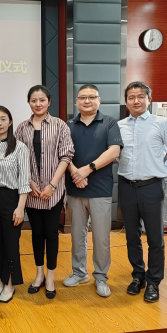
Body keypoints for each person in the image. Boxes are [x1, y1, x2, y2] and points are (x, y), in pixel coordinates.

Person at [118, 81, 167, 303]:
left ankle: (154, 281)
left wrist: (161, 172)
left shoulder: (162, 123)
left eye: (140, 96)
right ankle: (138, 276)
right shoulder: (119, 126)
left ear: (149, 99)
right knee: (132, 235)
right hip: (126, 186)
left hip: (152, 187)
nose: (136, 101)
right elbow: (114, 154)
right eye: (131, 97)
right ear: (126, 101)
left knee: (155, 238)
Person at [64, 85, 123, 298]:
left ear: (99, 100)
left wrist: (87, 170)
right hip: (75, 188)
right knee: (77, 235)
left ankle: (101, 276)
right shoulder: (68, 125)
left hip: (100, 190)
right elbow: (63, 153)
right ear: (77, 101)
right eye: (82, 97)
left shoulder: (109, 123)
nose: (87, 101)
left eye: (91, 97)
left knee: (101, 237)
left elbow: (114, 151)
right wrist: (75, 173)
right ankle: (79, 272)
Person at [15, 86, 75, 300]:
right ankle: (39, 274)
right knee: (37, 234)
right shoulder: (21, 128)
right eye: (33, 100)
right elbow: (17, 158)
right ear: (29, 103)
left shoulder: (60, 125)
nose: (38, 104)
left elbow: (66, 156)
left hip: (53, 192)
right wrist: (30, 182)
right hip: (31, 192)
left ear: (49, 101)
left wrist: (52, 185)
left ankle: (50, 276)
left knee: (51, 233)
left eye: (42, 100)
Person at [0, 106, 31, 304]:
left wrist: (20, 208)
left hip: (11, 198)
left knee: (11, 242)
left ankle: (10, 283)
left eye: (3, 119)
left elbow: (24, 181)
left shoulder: (20, 147)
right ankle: (2, 279)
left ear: (10, 122)